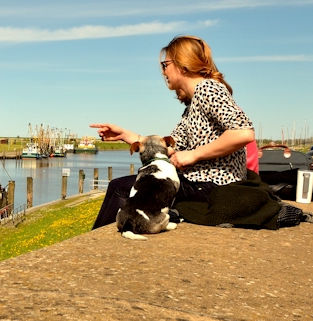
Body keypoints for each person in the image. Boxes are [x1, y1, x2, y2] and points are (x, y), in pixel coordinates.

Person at [90, 35, 256, 230]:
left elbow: (244, 133)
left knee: (120, 188)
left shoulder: (208, 89)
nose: (163, 72)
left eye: (165, 64)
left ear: (182, 64)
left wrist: (193, 155)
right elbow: (167, 147)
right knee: (123, 185)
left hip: (214, 184)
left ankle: (93, 249)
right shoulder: (192, 105)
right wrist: (126, 135)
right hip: (200, 182)